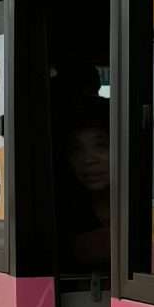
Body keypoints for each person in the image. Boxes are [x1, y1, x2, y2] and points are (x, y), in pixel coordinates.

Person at [58, 96, 111, 273]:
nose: (88, 160)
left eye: (101, 146)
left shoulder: (148, 210)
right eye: (76, 149)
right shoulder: (62, 214)